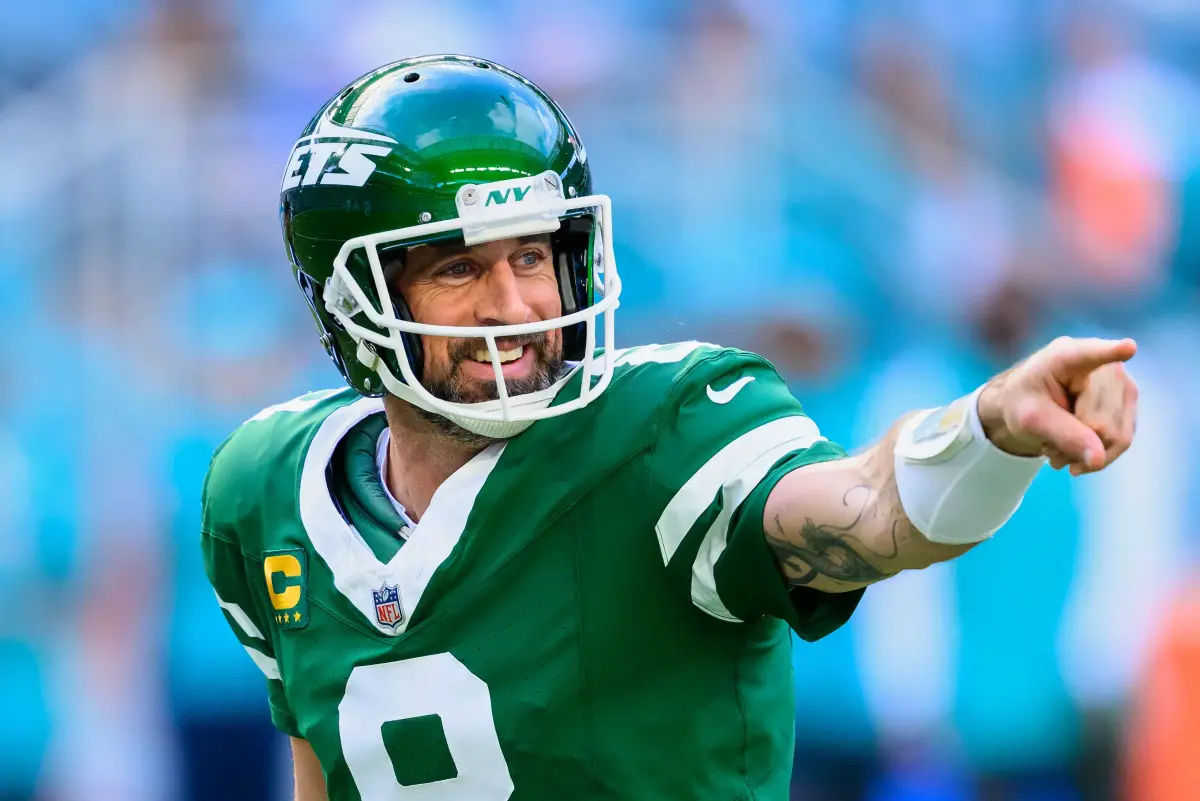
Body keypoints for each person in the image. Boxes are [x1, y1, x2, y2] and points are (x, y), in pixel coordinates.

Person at [200, 55, 1140, 801]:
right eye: (458, 269)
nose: (514, 305)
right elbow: (323, 764)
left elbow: (870, 511)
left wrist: (985, 428)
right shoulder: (265, 489)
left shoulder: (660, 430)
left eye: (531, 256)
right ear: (355, 299)